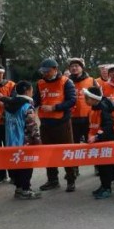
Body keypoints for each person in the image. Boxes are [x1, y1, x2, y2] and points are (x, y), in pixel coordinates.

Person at [34, 58, 78, 192]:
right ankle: (52, 180)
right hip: (45, 123)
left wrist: (55, 108)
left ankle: (71, 180)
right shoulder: (40, 83)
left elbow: (72, 100)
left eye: (47, 71)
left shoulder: (66, 82)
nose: (45, 74)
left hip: (62, 123)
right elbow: (36, 100)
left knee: (66, 152)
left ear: (55, 69)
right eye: (43, 72)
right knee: (48, 153)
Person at [4, 81, 43, 200]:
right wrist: (38, 141)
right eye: (31, 90)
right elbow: (32, 126)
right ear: (27, 91)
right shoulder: (27, 106)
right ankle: (25, 190)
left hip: (11, 142)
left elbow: (3, 120)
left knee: (16, 165)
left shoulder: (8, 105)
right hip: (25, 142)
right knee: (26, 166)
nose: (32, 92)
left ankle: (19, 188)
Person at [83, 86, 114, 200]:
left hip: (106, 141)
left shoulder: (103, 109)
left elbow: (108, 126)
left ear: (94, 99)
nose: (85, 100)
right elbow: (92, 125)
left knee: (105, 167)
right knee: (100, 167)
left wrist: (97, 136)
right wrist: (90, 136)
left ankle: (107, 189)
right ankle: (103, 186)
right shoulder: (93, 108)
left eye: (87, 98)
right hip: (98, 141)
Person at [68, 58, 96, 146]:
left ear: (82, 68)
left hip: (88, 118)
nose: (74, 68)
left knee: (90, 143)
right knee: (73, 144)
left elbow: (98, 98)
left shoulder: (91, 80)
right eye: (72, 66)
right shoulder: (66, 82)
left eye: (76, 66)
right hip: (71, 118)